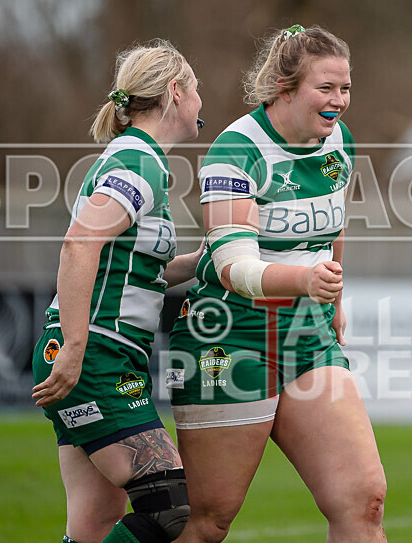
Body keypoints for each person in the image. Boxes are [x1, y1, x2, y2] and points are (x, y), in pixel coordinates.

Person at [167, 25, 387, 543]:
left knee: (364, 500)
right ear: (285, 88)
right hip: (227, 336)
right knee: (209, 520)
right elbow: (232, 267)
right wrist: (306, 279)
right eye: (326, 88)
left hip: (307, 334)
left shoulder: (340, 141)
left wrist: (334, 293)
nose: (339, 102)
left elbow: (332, 222)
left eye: (346, 88)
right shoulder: (234, 152)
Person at [31, 39, 205, 543]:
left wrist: (204, 259)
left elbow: (133, 270)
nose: (201, 101)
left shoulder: (141, 158)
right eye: (196, 89)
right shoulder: (140, 161)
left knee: (94, 518)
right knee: (171, 507)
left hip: (102, 354)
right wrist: (76, 347)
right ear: (175, 92)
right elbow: (79, 245)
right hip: (96, 356)